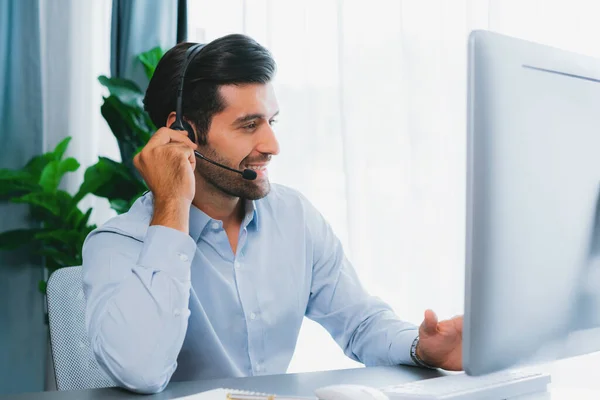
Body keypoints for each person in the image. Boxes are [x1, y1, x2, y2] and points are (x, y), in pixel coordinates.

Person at [82, 33, 463, 394]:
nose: (272, 145)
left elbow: (360, 323)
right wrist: (172, 206)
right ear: (183, 133)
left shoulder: (294, 217)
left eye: (271, 121)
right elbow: (141, 371)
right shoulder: (119, 244)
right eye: (249, 126)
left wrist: (421, 348)